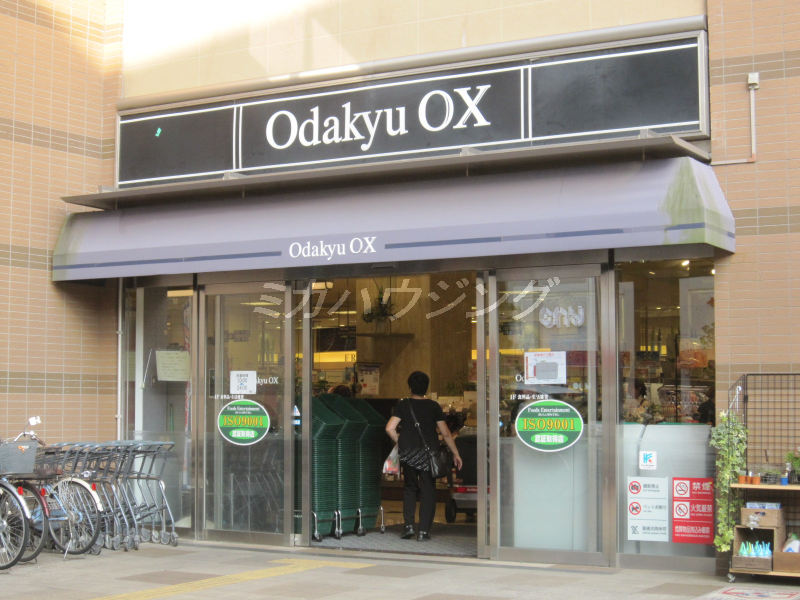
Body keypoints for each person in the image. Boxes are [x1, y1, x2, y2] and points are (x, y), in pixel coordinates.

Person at [385, 371, 463, 541]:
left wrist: (402, 442)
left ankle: (408, 526)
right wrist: (456, 453)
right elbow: (446, 433)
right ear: (426, 387)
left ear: (410, 387)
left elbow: (389, 428)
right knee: (428, 490)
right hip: (428, 455)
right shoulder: (433, 406)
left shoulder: (403, 405)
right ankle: (423, 531)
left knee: (410, 488)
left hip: (408, 454)